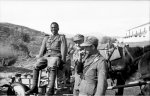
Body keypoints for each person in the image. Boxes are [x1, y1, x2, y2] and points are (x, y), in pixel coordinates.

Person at [25, 22, 67, 95]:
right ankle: (34, 87)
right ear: (50, 29)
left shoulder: (61, 37)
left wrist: (62, 62)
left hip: (56, 56)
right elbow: (42, 51)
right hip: (47, 57)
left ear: (58, 28)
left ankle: (51, 89)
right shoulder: (46, 38)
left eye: (55, 27)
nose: (53, 29)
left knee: (52, 65)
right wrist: (39, 58)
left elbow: (64, 50)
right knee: (35, 66)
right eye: (52, 27)